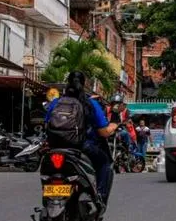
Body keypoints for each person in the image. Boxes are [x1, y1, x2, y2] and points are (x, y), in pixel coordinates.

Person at [45, 71, 120, 207]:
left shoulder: (56, 102)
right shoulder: (90, 103)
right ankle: (100, 200)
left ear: (67, 83)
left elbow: (46, 124)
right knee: (105, 164)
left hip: (55, 146)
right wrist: (114, 125)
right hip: (81, 147)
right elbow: (103, 132)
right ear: (84, 84)